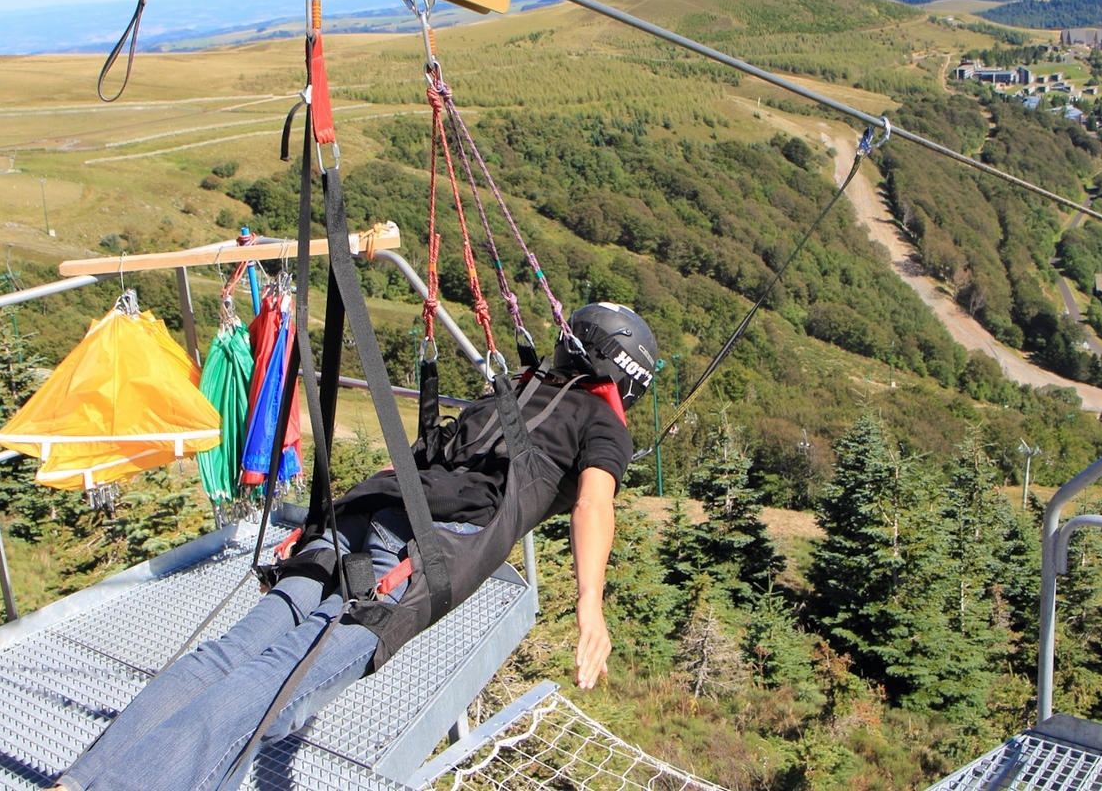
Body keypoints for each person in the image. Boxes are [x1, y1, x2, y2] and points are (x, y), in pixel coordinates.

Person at [54, 302, 657, 791]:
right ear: (627, 375)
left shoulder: (518, 387)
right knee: (276, 679)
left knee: (231, 652)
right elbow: (592, 502)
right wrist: (590, 604)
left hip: (360, 516)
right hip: (417, 548)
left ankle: (83, 780)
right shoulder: (603, 425)